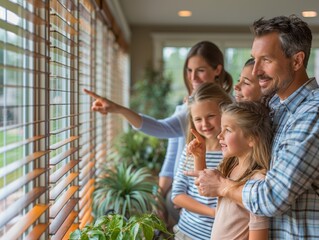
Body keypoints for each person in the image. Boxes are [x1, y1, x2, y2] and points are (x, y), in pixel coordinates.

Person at [185, 15, 319, 239]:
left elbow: (272, 197)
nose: (255, 70)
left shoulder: (312, 112)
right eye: (253, 59)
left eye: (265, 60)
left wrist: (223, 186)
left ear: (296, 61)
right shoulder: (274, 106)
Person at [84, 41, 233, 227]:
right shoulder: (186, 109)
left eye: (200, 70)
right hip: (191, 201)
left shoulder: (232, 110)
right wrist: (160, 193)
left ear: (217, 70)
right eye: (189, 70)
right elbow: (171, 152)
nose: (193, 77)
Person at [188, 101, 272, 239]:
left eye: (227, 130)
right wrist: (199, 156)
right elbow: (203, 188)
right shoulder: (230, 166)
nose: (219, 135)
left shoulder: (257, 183)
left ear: (252, 138)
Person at [171, 82, 233, 240]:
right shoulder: (190, 151)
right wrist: (213, 213)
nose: (204, 124)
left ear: (225, 111)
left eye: (211, 116)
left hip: (217, 235)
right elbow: (177, 195)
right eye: (198, 119)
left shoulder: (233, 152)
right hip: (185, 232)